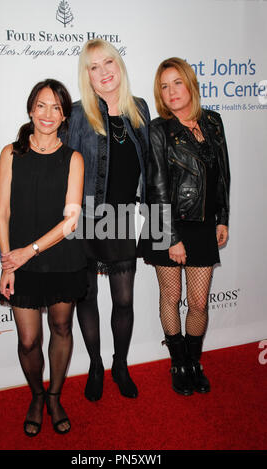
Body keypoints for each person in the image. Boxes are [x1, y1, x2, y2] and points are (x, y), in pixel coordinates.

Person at [0, 79, 86, 436]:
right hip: (19, 263)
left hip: (62, 258)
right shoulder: (11, 153)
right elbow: (2, 212)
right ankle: (36, 395)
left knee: (62, 327)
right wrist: (8, 262)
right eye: (42, 105)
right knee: (28, 341)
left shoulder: (73, 158)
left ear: (64, 115)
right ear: (31, 109)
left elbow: (71, 221)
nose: (48, 114)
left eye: (57, 107)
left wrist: (27, 251)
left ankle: (54, 396)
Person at [67, 39, 150, 401]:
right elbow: (58, 162)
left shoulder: (140, 108)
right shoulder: (76, 113)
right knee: (86, 298)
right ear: (87, 75)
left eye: (108, 62)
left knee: (125, 301)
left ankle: (120, 364)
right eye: (93, 67)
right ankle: (96, 365)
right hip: (84, 218)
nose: (103, 72)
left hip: (121, 219)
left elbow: (152, 167)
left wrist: (158, 222)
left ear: (119, 65)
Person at [142, 57, 230, 395]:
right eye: (164, 86)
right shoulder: (158, 129)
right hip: (168, 225)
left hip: (204, 224)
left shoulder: (213, 122)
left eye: (177, 82)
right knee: (171, 295)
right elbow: (157, 186)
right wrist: (171, 237)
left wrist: (223, 218)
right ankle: (178, 364)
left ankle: (194, 361)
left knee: (198, 302)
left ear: (190, 83)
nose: (171, 91)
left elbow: (223, 174)